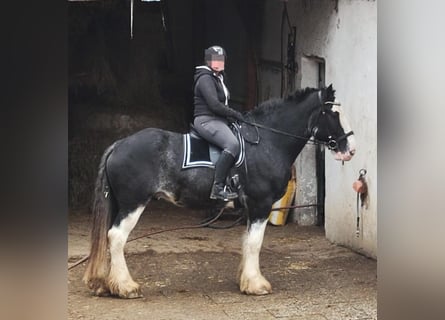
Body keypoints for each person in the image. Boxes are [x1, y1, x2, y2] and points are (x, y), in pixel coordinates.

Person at [193, 45, 244, 201]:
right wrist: (235, 114)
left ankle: (234, 182)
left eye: (221, 59)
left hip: (219, 120)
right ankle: (218, 188)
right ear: (208, 61)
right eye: (215, 59)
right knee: (233, 144)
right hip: (206, 120)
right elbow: (214, 105)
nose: (219, 62)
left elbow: (224, 104)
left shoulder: (219, 77)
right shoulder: (205, 78)